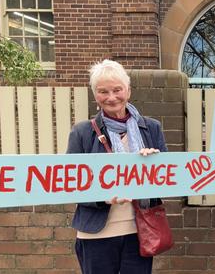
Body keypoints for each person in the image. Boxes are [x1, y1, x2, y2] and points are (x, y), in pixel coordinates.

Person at [66, 59, 167, 274]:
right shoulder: (82, 132)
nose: (111, 97)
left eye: (117, 90)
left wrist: (153, 164)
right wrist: (101, 197)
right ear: (95, 96)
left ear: (128, 91)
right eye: (103, 91)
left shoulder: (151, 128)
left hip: (138, 230)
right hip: (96, 234)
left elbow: (167, 181)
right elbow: (70, 183)